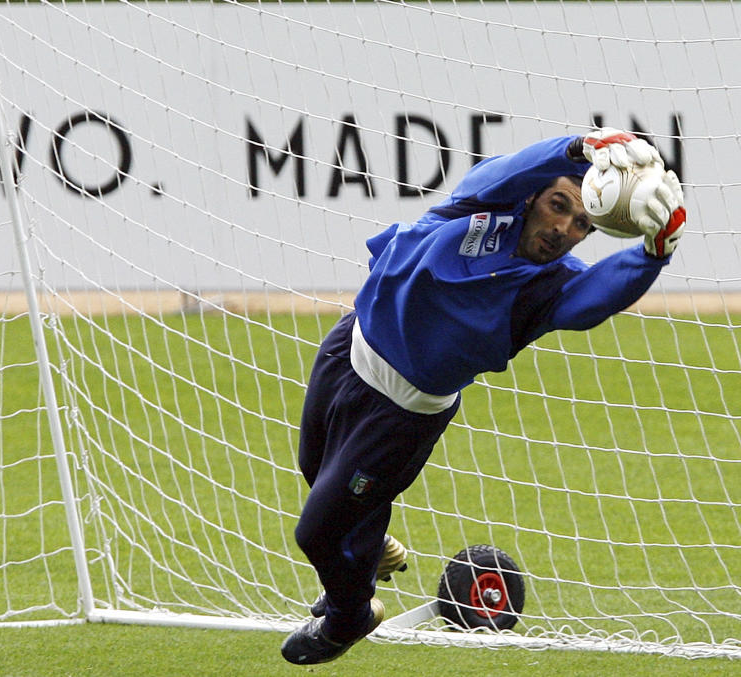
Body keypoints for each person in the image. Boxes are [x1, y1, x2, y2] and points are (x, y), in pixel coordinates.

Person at [280, 129, 686, 665]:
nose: (563, 227)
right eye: (557, 206)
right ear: (532, 198)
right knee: (315, 468)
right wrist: (580, 146)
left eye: (582, 223)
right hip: (348, 349)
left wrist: (656, 252)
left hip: (399, 415)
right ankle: (369, 549)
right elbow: (507, 170)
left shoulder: (549, 289)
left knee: (319, 532)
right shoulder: (481, 203)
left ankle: (348, 613)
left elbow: (595, 298)